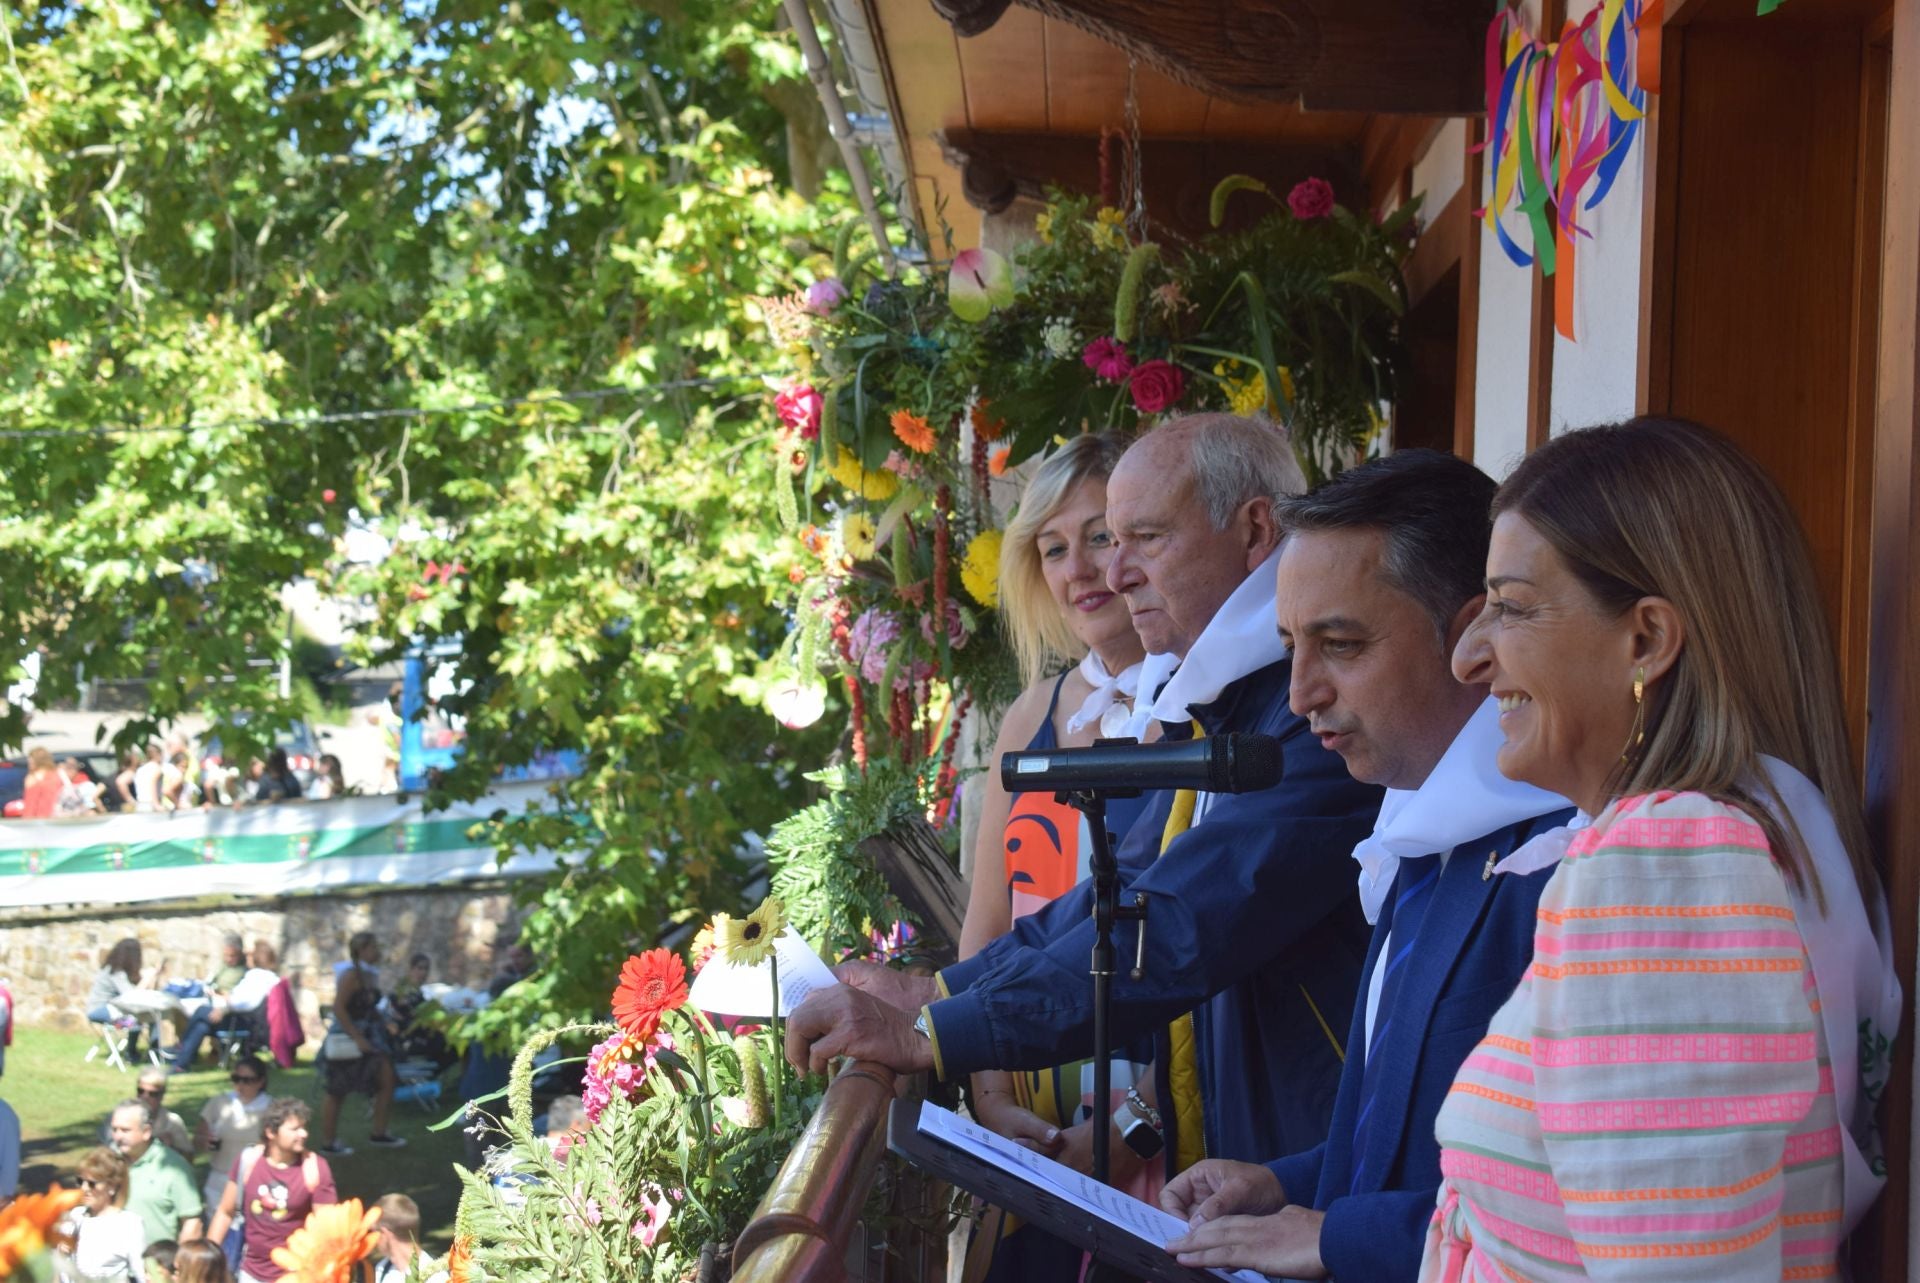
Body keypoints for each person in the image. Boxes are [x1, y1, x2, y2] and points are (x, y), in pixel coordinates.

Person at [789, 414, 1385, 1174]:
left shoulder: (1301, 708)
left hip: (1304, 1170)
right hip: (1243, 1164)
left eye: (1142, 538)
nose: (1112, 572)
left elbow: (1181, 927)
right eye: (1093, 543)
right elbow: (1123, 897)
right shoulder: (1218, 697)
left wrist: (934, 1032)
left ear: (1256, 528)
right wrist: (933, 991)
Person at [1406, 419, 1900, 1280]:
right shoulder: (1744, 832)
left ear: (1646, 639)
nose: (1469, 657)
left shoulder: (1668, 861)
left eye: (1512, 605)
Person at [1155, 451, 1575, 1280]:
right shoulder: (1418, 829)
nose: (1302, 690)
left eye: (1340, 644)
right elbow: (1403, 1139)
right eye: (1289, 648)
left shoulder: (1558, 854)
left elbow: (1567, 1195)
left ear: (1471, 641)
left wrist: (1336, 1236)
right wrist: (1284, 1182)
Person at [951, 433, 1161, 1280]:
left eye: (1102, 534)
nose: (1079, 568)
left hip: (1175, 1135)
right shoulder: (1025, 719)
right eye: (1052, 546)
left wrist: (1127, 1128)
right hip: (1032, 1147)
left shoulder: (1197, 713)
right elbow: (987, 930)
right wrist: (992, 1099)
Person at [208, 1097, 337, 1283]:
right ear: (271, 1132)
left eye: (304, 1127)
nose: (303, 1134)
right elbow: (225, 1212)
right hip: (249, 1271)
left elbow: (328, 1229)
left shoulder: (315, 1168)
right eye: (294, 1129)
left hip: (297, 1274)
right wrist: (207, 1258)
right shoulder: (248, 1160)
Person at [317, 932, 405, 1156]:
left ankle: (379, 1132)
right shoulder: (351, 975)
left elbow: (369, 1006)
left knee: (387, 1079)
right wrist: (357, 1037)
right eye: (373, 947)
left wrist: (385, 1023)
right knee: (337, 1089)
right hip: (349, 1036)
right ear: (362, 950)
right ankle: (328, 1141)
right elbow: (339, 1008)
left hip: (371, 1035)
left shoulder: (369, 975)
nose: (378, 952)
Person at [110, 1099, 202, 1247]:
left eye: (125, 1130)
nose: (118, 1137)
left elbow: (192, 1223)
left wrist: (179, 1264)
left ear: (146, 1132)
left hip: (156, 1265)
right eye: (115, 1130)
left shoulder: (174, 1167)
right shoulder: (109, 1162)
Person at [194, 1056, 273, 1213]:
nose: (240, 1085)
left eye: (247, 1080)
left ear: (261, 1082)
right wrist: (205, 1142)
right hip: (221, 1176)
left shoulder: (271, 1108)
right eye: (236, 1079)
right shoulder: (219, 1102)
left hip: (257, 1179)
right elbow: (197, 1139)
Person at [58, 1147, 147, 1282]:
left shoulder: (129, 1224)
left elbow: (141, 1274)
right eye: (80, 1181)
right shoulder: (75, 1217)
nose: (84, 1189)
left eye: (92, 1184)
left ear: (112, 1187)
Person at [104, 1069, 193, 1161]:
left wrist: (170, 1148)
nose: (145, 1097)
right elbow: (104, 1152)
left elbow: (189, 1158)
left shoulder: (172, 1123)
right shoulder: (118, 1118)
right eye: (141, 1091)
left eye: (152, 1094)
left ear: (161, 1096)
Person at [371, 1193, 421, 1282]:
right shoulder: (382, 1269)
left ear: (385, 1234)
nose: (372, 1240)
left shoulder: (435, 1276)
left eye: (373, 1232)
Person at [20, 746, 61, 818]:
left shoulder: (33, 777)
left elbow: (30, 804)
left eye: (31, 761)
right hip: (54, 819)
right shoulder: (56, 775)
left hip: (36, 821)